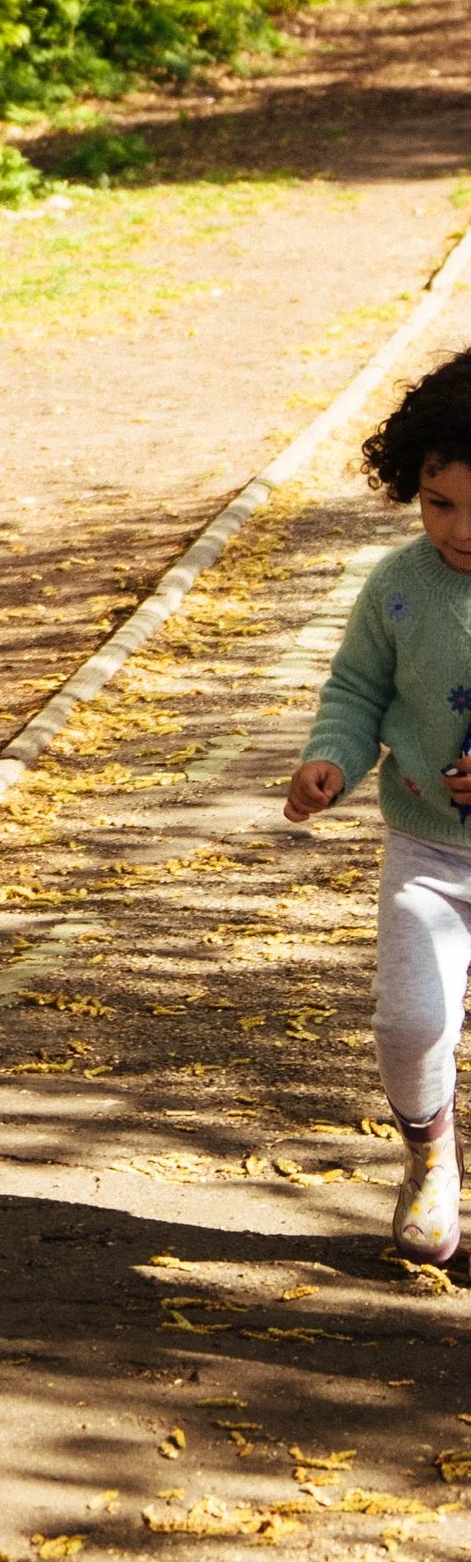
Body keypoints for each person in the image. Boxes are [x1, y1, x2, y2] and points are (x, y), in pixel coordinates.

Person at [283, 348, 471, 1267]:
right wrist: (332, 760)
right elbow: (358, 693)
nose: (461, 530)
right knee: (410, 1021)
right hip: (429, 854)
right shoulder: (398, 585)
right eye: (440, 504)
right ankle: (430, 1150)